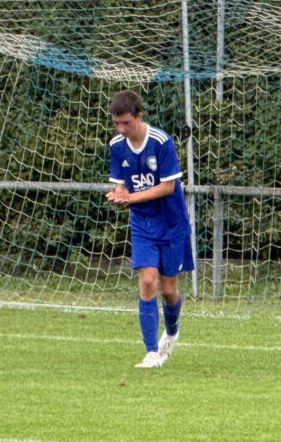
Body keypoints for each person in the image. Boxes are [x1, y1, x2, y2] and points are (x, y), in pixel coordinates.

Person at [105, 90, 193, 368]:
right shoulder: (116, 146)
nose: (121, 129)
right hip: (143, 223)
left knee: (168, 291)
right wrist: (119, 194)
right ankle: (152, 352)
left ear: (139, 116)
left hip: (171, 223)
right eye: (116, 123)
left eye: (126, 123)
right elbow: (121, 185)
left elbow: (167, 187)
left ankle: (172, 330)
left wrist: (131, 197)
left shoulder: (161, 142)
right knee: (146, 282)